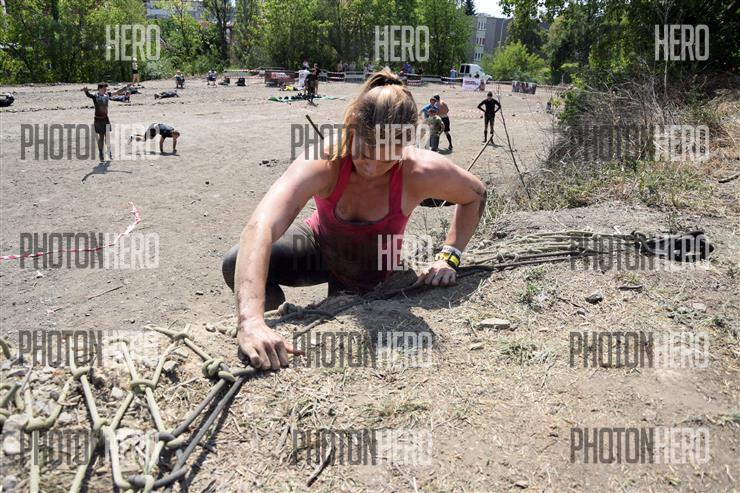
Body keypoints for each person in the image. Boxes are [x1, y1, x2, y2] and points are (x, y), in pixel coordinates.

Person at [221, 70, 487, 370]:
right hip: (320, 248)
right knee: (234, 261)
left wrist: (449, 256)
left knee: (347, 325)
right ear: (351, 127)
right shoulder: (324, 159)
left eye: (386, 160)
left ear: (406, 146)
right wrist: (251, 321)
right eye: (364, 153)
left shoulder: (420, 171)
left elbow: (475, 195)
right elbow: (261, 226)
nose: (371, 168)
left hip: (374, 271)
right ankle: (272, 331)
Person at [81, 83, 112, 162]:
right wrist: (86, 91)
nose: (106, 89)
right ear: (100, 89)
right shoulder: (95, 96)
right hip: (98, 120)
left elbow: (117, 92)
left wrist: (126, 87)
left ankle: (108, 151)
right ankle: (101, 153)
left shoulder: (106, 95)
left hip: (106, 119)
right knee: (101, 137)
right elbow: (89, 95)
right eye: (104, 88)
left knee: (107, 136)